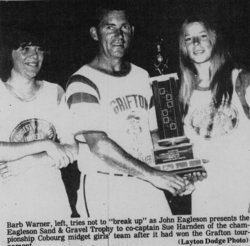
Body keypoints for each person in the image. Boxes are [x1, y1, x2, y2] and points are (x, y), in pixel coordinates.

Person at [66, 3, 193, 219]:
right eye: (110, 27)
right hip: (105, 187)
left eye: (124, 27)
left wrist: (178, 171)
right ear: (94, 33)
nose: (118, 35)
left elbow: (153, 135)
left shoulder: (142, 75)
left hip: (147, 184)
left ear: (132, 32)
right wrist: (155, 175)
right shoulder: (82, 81)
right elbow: (98, 144)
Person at [0, 29, 78, 220]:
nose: (34, 56)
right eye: (25, 49)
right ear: (9, 53)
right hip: (9, 205)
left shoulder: (55, 92)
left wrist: (29, 161)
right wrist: (46, 145)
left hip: (53, 203)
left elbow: (74, 149)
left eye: (39, 49)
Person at [179, 15, 250, 215]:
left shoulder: (241, 79)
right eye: (189, 38)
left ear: (214, 39)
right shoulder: (183, 93)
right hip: (205, 195)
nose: (196, 43)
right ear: (183, 46)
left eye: (202, 36)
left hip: (242, 190)